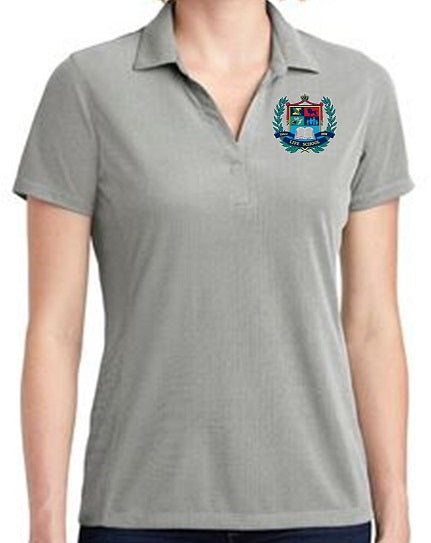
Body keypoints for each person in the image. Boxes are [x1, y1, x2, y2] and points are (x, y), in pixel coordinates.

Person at [12, 0, 414, 542]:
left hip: (321, 511)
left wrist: (396, 507)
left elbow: (372, 324)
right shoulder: (87, 86)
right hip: (139, 510)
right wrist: (44, 524)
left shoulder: (358, 87)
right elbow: (55, 330)